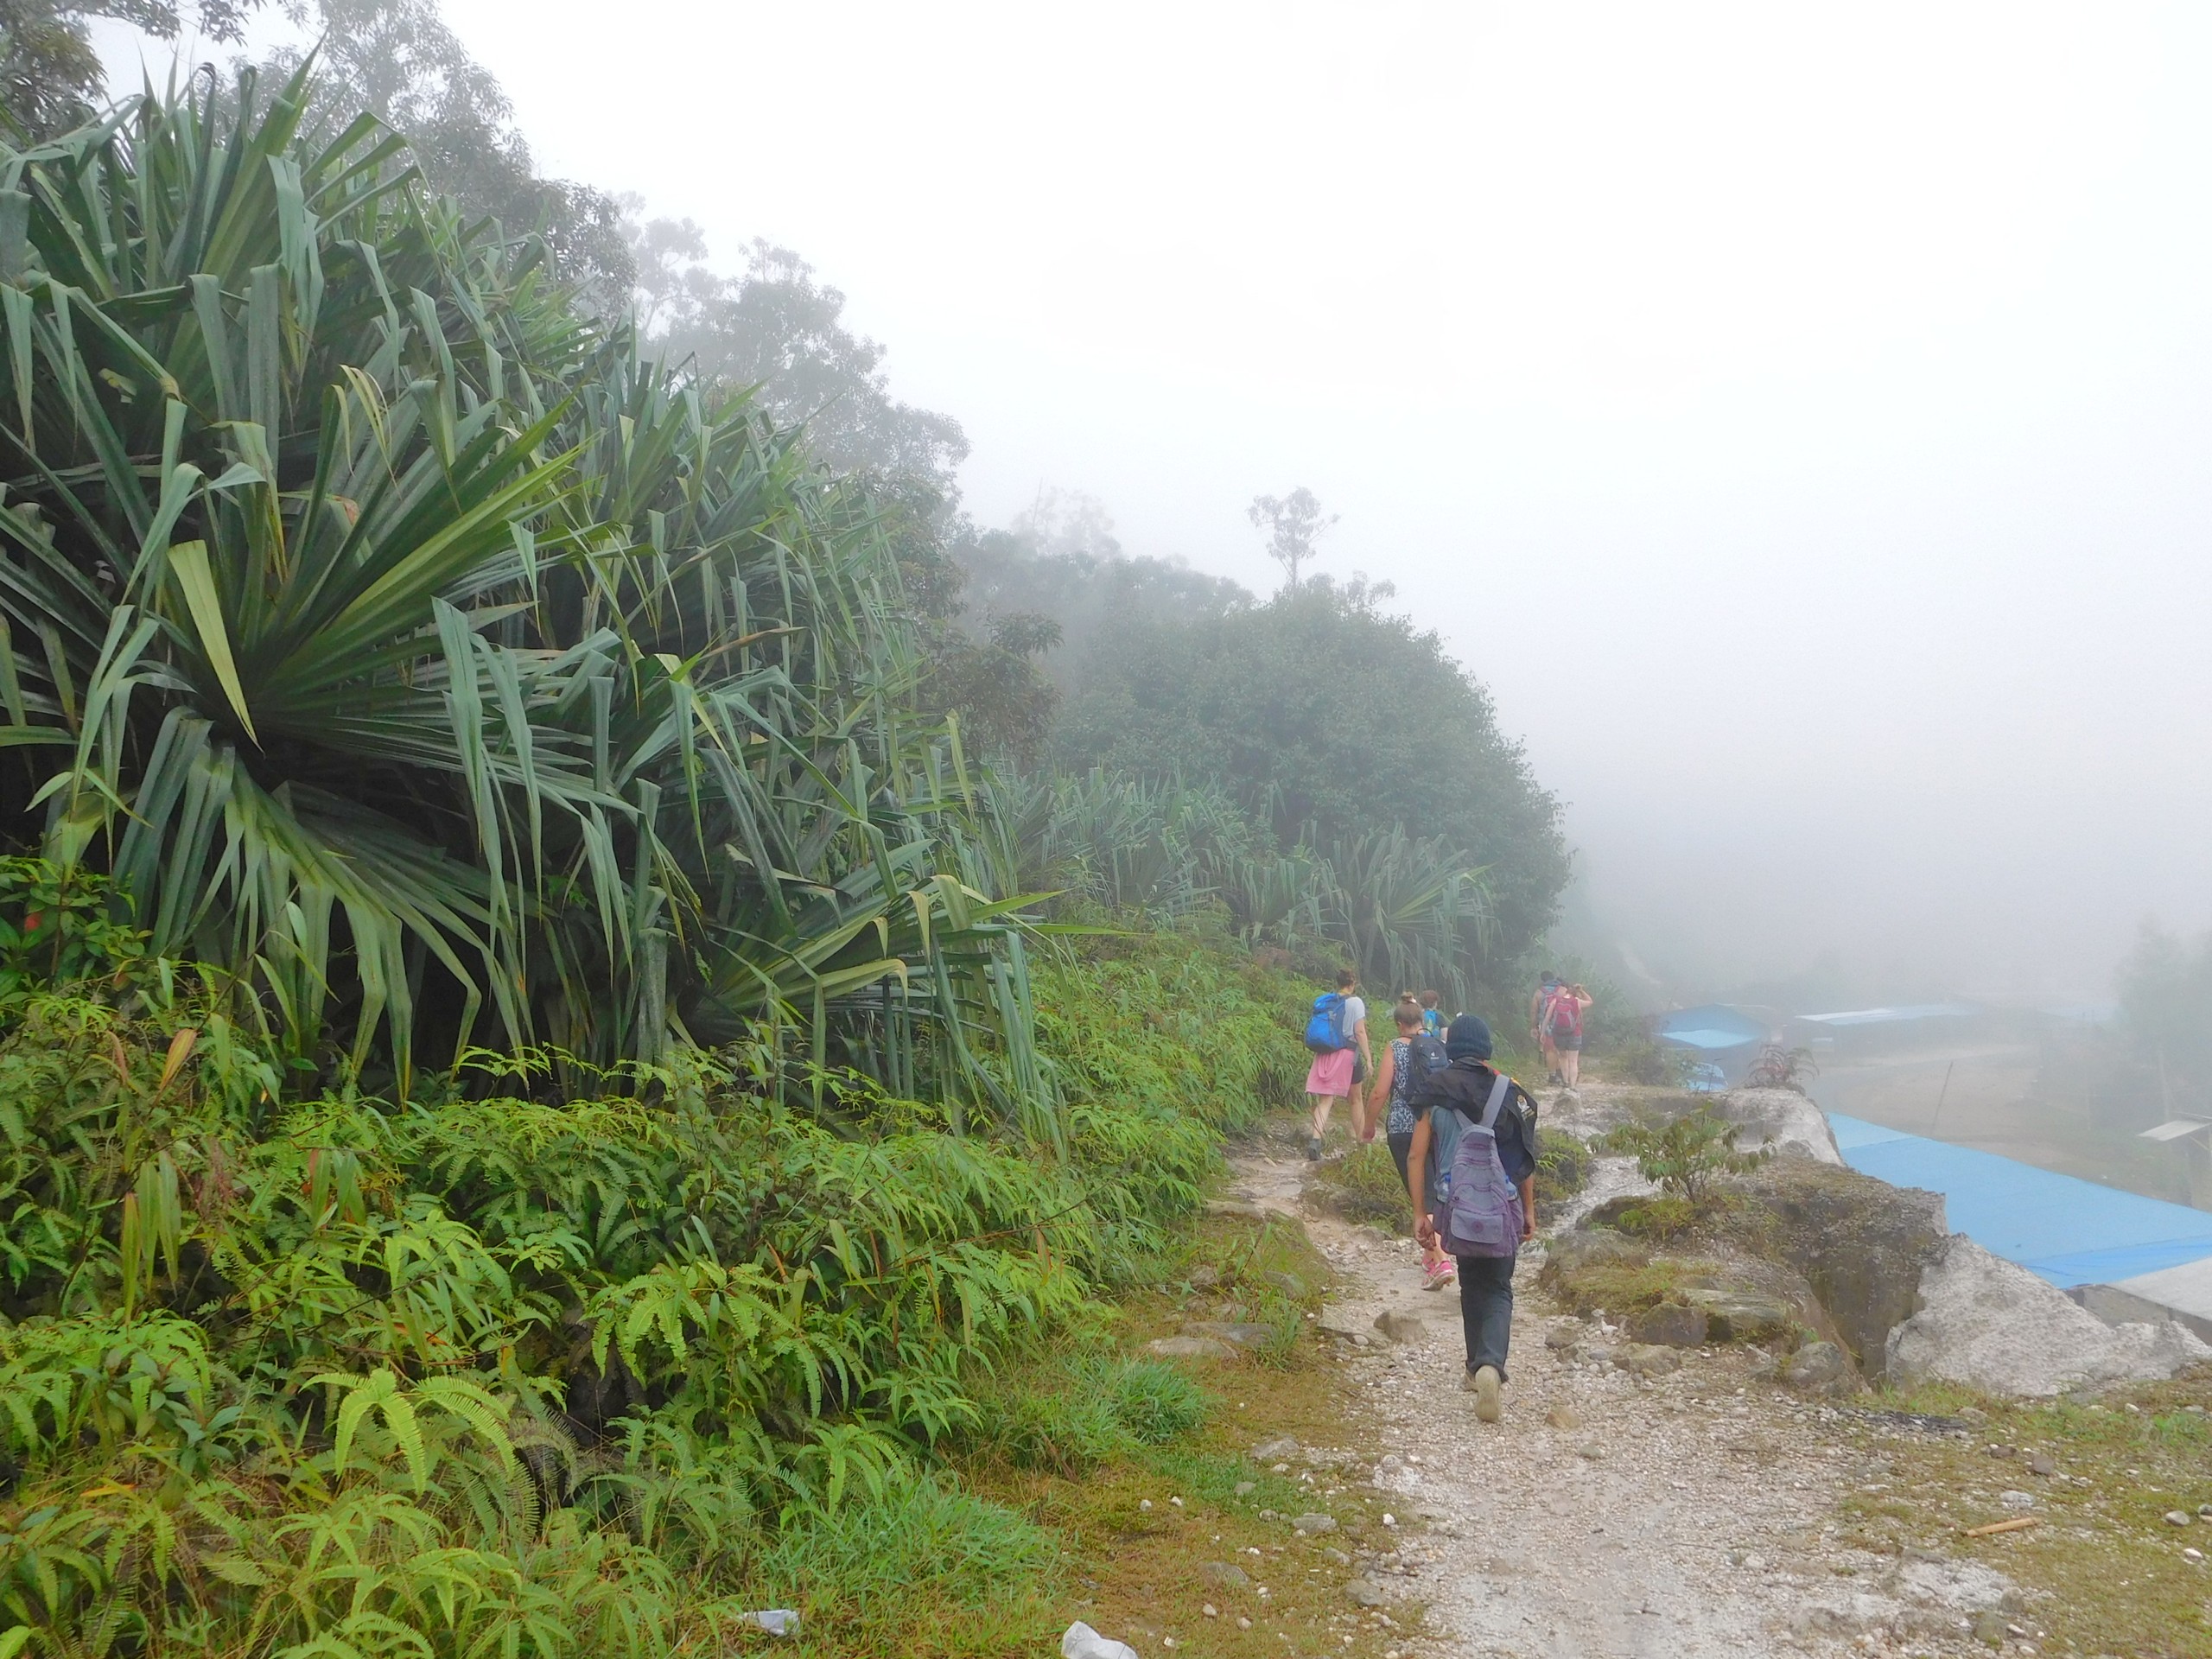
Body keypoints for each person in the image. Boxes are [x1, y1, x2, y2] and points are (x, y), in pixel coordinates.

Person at [1404, 1014, 1538, 1423]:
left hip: (1455, 1206)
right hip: (1503, 1205)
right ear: (1486, 1050)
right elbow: (1525, 1161)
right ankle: (1490, 1365)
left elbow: (1416, 1155)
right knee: (1499, 1286)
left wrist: (1419, 1212)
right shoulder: (1511, 1092)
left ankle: (1472, 1366)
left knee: (1470, 1282)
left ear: (1451, 1048)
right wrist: (1529, 1211)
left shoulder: (1436, 1091)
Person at [1367, 998, 1454, 1290]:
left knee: (1421, 1196)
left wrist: (1368, 1126)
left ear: (1399, 1023)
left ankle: (1441, 1259)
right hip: (1437, 1125)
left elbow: (1380, 1092)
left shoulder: (1395, 1047)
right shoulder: (1435, 1046)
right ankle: (1431, 1257)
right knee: (1436, 1191)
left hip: (1404, 1127)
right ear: (1422, 1021)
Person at [1303, 969, 1371, 1159]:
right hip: (1347, 1054)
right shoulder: (1355, 1002)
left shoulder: (1327, 1001)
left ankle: (1315, 1141)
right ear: (1353, 983)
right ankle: (1361, 1143)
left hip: (1325, 1053)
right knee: (1355, 1098)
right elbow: (1360, 1032)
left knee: (1325, 1100)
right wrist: (1368, 1058)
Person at [1544, 981, 1594, 1090]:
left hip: (1558, 1034)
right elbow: (1590, 1002)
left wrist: (1543, 1032)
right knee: (1573, 1060)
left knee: (1563, 1058)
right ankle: (1572, 1086)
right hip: (1574, 1034)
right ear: (1575, 993)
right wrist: (1582, 990)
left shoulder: (1556, 1000)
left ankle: (1565, 1082)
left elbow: (1547, 1017)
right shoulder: (1576, 1001)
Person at [1529, 970, 1562, 1084]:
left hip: (1546, 1025)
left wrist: (1534, 1027)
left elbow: (1534, 1012)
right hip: (1562, 1025)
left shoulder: (1539, 993)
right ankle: (1561, 1073)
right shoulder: (1562, 990)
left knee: (1549, 1051)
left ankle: (1552, 1076)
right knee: (1560, 1049)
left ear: (1543, 980)